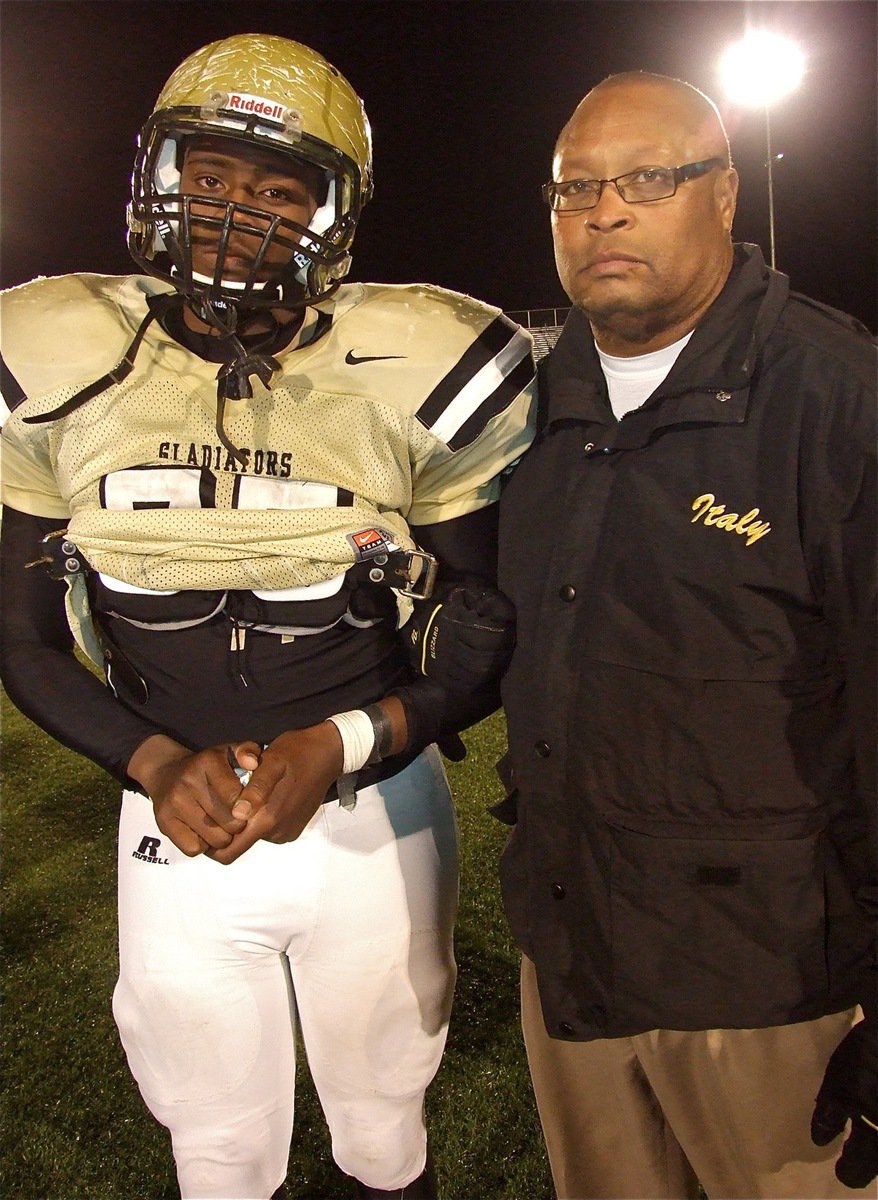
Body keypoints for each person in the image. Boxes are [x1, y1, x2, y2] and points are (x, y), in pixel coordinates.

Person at [0, 33, 535, 1200]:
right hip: (175, 827)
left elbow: (485, 626)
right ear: (159, 176)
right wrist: (152, 760)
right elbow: (25, 641)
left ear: (334, 212)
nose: (237, 211)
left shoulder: (409, 366)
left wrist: (339, 742)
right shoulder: (58, 352)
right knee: (218, 1149)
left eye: (279, 187)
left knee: (384, 1127)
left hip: (376, 810)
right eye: (212, 175)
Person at [496, 71, 876, 1199]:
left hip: (770, 986)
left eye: (644, 179)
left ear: (722, 196)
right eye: (573, 189)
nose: (601, 211)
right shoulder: (528, 408)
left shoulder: (837, 399)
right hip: (572, 960)